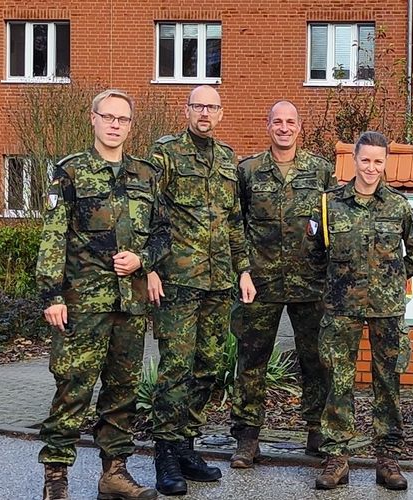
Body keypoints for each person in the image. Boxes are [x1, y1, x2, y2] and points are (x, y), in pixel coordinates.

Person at [37, 89, 169, 500]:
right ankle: (56, 477)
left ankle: (114, 473)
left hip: (129, 304)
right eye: (107, 116)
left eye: (122, 119)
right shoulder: (69, 172)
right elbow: (54, 236)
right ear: (92, 119)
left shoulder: (146, 175)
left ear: (131, 125)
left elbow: (164, 233)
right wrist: (52, 294)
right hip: (82, 304)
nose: (115, 124)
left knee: (121, 391)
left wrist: (142, 259)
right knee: (73, 388)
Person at [306, 131, 413, 490]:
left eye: (378, 161)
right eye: (365, 160)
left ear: (385, 163)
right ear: (354, 161)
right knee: (337, 382)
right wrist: (332, 287)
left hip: (387, 310)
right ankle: (337, 458)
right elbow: (313, 256)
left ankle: (387, 459)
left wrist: (392, 279)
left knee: (387, 382)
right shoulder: (330, 204)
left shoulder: (398, 206)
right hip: (341, 309)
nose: (371, 167)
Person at [148, 85, 255, 495]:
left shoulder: (227, 158)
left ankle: (186, 444)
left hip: (217, 281)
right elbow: (150, 213)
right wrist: (150, 268)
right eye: (198, 106)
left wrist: (242, 270)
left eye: (211, 107)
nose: (205, 113)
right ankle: (165, 453)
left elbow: (233, 222)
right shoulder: (166, 153)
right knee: (176, 367)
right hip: (177, 281)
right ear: (187, 109)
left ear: (221, 112)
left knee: (209, 366)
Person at [230, 100, 336, 468]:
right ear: (268, 125)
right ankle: (247, 437)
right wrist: (242, 270)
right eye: (278, 121)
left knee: (316, 360)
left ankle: (316, 431)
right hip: (259, 283)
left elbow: (332, 224)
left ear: (299, 127)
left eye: (290, 122)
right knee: (251, 360)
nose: (284, 128)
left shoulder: (321, 171)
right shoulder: (248, 171)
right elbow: (235, 224)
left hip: (310, 282)